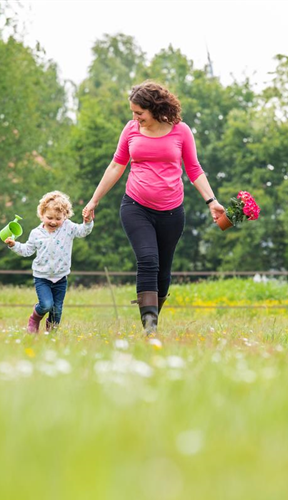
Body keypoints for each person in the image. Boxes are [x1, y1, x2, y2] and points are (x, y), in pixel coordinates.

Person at [82, 81, 225, 334]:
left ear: (155, 108)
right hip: (135, 206)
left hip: (172, 212)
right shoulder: (131, 130)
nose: (135, 118)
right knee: (148, 260)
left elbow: (193, 169)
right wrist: (94, 200)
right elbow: (116, 165)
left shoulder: (181, 131)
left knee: (163, 269)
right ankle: (149, 326)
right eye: (133, 113)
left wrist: (212, 201)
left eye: (139, 113)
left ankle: (153, 317)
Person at [5, 191, 93, 333]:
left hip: (61, 277)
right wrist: (13, 245)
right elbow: (27, 250)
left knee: (57, 310)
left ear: (65, 216)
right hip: (42, 277)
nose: (53, 221)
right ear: (42, 215)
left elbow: (83, 231)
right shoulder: (36, 233)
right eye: (49, 217)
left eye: (58, 218)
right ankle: (35, 318)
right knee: (46, 305)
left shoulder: (68, 228)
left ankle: (51, 336)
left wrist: (87, 222)